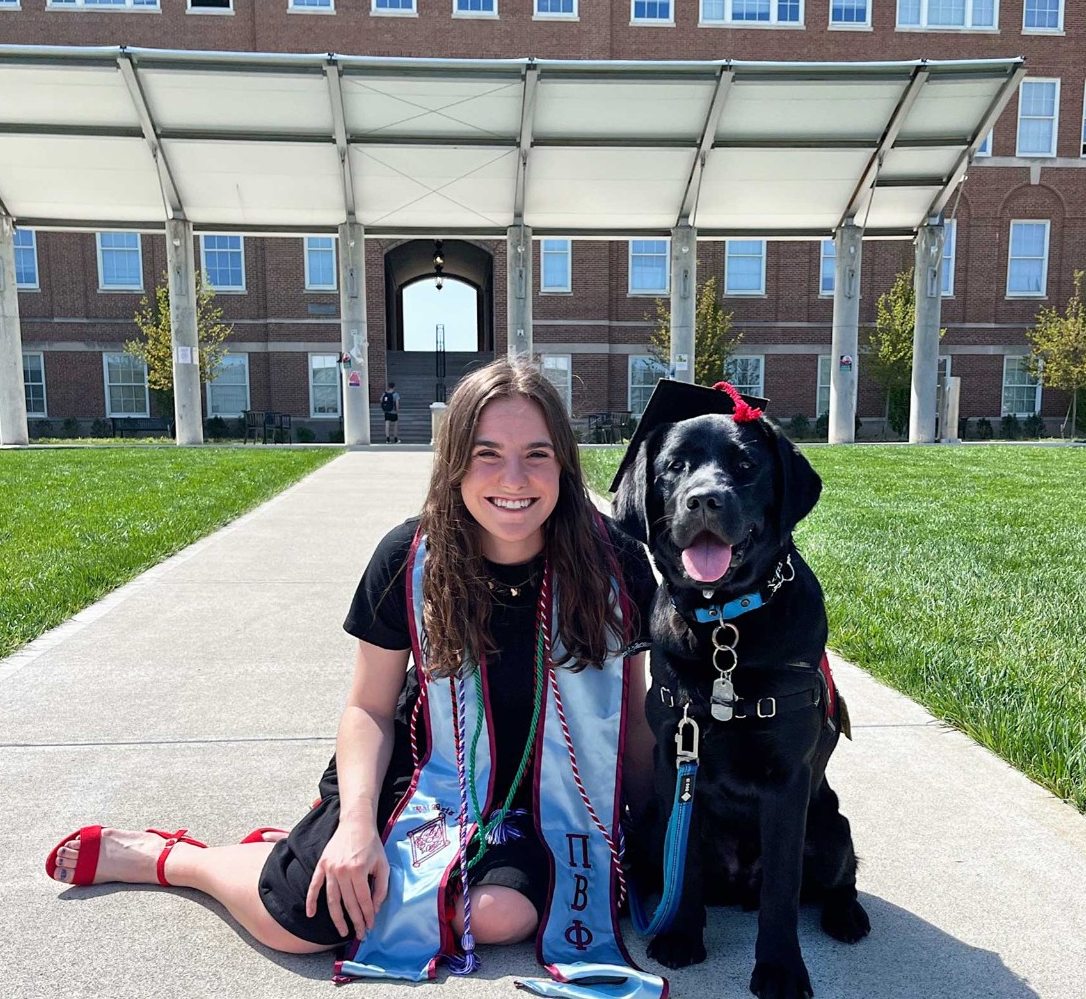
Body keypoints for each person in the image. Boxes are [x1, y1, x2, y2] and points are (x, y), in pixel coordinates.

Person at [44, 358, 660, 992]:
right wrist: (359, 823)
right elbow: (367, 708)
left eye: (537, 454)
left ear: (564, 462)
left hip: (547, 798)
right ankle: (184, 861)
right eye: (486, 454)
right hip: (425, 773)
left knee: (500, 917)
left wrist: (652, 825)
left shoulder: (614, 567)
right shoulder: (411, 558)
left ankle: (293, 849)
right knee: (302, 922)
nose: (513, 478)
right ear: (453, 463)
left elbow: (631, 714)